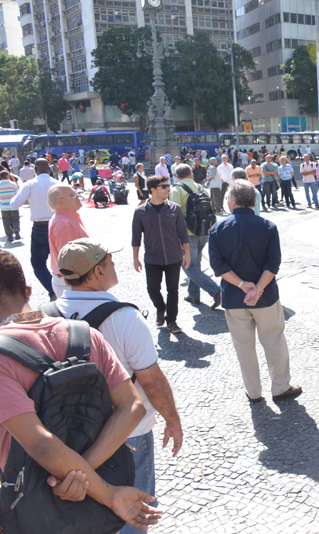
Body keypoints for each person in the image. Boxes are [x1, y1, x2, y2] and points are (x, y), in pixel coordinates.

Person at [0, 250, 163, 532]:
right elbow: (133, 406)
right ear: (27, 290)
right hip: (98, 491)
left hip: (30, 502)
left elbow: (41, 444)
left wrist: (91, 484)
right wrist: (87, 474)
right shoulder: (86, 334)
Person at [54, 238, 182, 534]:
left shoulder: (47, 314)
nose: (114, 266)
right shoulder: (124, 317)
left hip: (69, 435)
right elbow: (151, 380)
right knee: (133, 513)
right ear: (98, 272)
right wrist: (172, 420)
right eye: (110, 261)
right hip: (127, 433)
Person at [208, 180, 302, 404]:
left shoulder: (218, 229)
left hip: (234, 297)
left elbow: (218, 266)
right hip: (266, 296)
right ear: (253, 201)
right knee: (274, 341)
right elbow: (273, 263)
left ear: (232, 200)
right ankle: (280, 387)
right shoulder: (267, 226)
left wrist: (243, 285)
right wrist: (258, 288)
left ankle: (253, 391)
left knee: (243, 347)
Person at [132, 175, 191, 334]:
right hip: (152, 258)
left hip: (173, 257)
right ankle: (160, 308)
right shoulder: (140, 212)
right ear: (153, 190)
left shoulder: (175, 209)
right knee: (152, 289)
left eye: (168, 186)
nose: (167, 189)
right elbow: (136, 238)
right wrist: (135, 258)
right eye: (164, 186)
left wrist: (187, 254)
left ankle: (172, 320)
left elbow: (183, 234)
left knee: (173, 290)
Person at [169, 164, 221, 308]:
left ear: (176, 176)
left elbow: (174, 214)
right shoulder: (200, 188)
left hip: (187, 234)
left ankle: (216, 291)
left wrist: (176, 236)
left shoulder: (177, 189)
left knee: (188, 266)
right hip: (204, 230)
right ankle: (193, 295)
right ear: (191, 173)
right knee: (195, 265)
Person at [10, 158, 61, 298]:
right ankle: (65, 291)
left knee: (38, 264)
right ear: (49, 168)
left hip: (40, 228)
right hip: (58, 225)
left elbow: (14, 204)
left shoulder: (30, 184)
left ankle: (53, 291)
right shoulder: (58, 184)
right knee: (62, 262)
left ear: (35, 170)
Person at [47, 184, 89, 298]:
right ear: (60, 202)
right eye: (72, 195)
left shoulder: (65, 219)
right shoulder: (64, 223)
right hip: (72, 283)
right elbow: (69, 261)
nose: (78, 196)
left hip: (71, 282)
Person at [0, 170, 21, 243]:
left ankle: (9, 236)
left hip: (4, 207)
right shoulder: (13, 184)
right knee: (15, 219)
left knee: (6, 222)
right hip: (13, 206)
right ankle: (16, 229)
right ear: (7, 176)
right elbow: (18, 194)